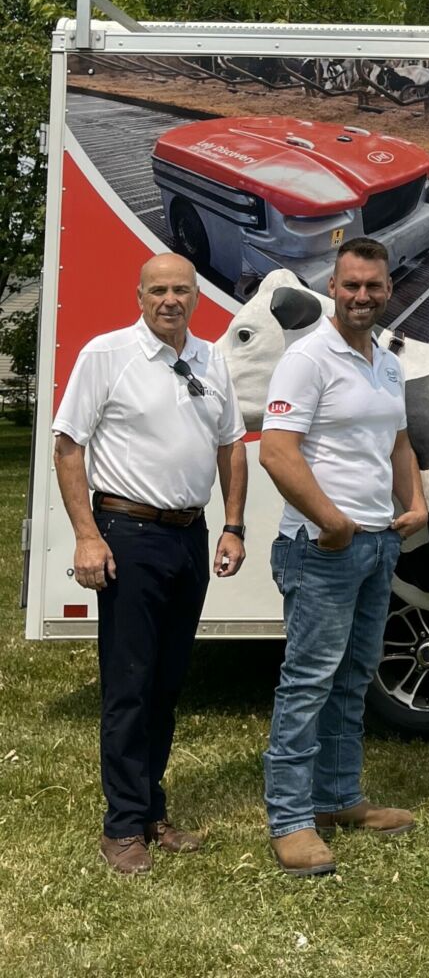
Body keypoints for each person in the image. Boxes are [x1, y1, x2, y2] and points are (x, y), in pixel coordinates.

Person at [52, 253, 248, 876]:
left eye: (181, 290)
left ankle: (150, 809)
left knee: (166, 682)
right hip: (128, 533)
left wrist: (235, 526)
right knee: (129, 684)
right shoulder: (107, 356)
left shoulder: (211, 359)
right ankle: (122, 826)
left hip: (190, 536)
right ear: (139, 296)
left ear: (197, 297)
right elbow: (67, 446)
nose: (171, 299)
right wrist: (87, 536)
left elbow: (231, 445)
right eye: (158, 289)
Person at [259, 236, 428, 876]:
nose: (363, 296)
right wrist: (330, 521)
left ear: (389, 290)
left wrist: (416, 502)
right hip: (324, 547)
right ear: (332, 287)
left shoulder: (386, 360)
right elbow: (277, 450)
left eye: (374, 286)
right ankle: (291, 819)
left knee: (353, 678)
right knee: (308, 681)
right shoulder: (308, 358)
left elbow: (399, 442)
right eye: (351, 285)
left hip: (377, 544)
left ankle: (337, 798)